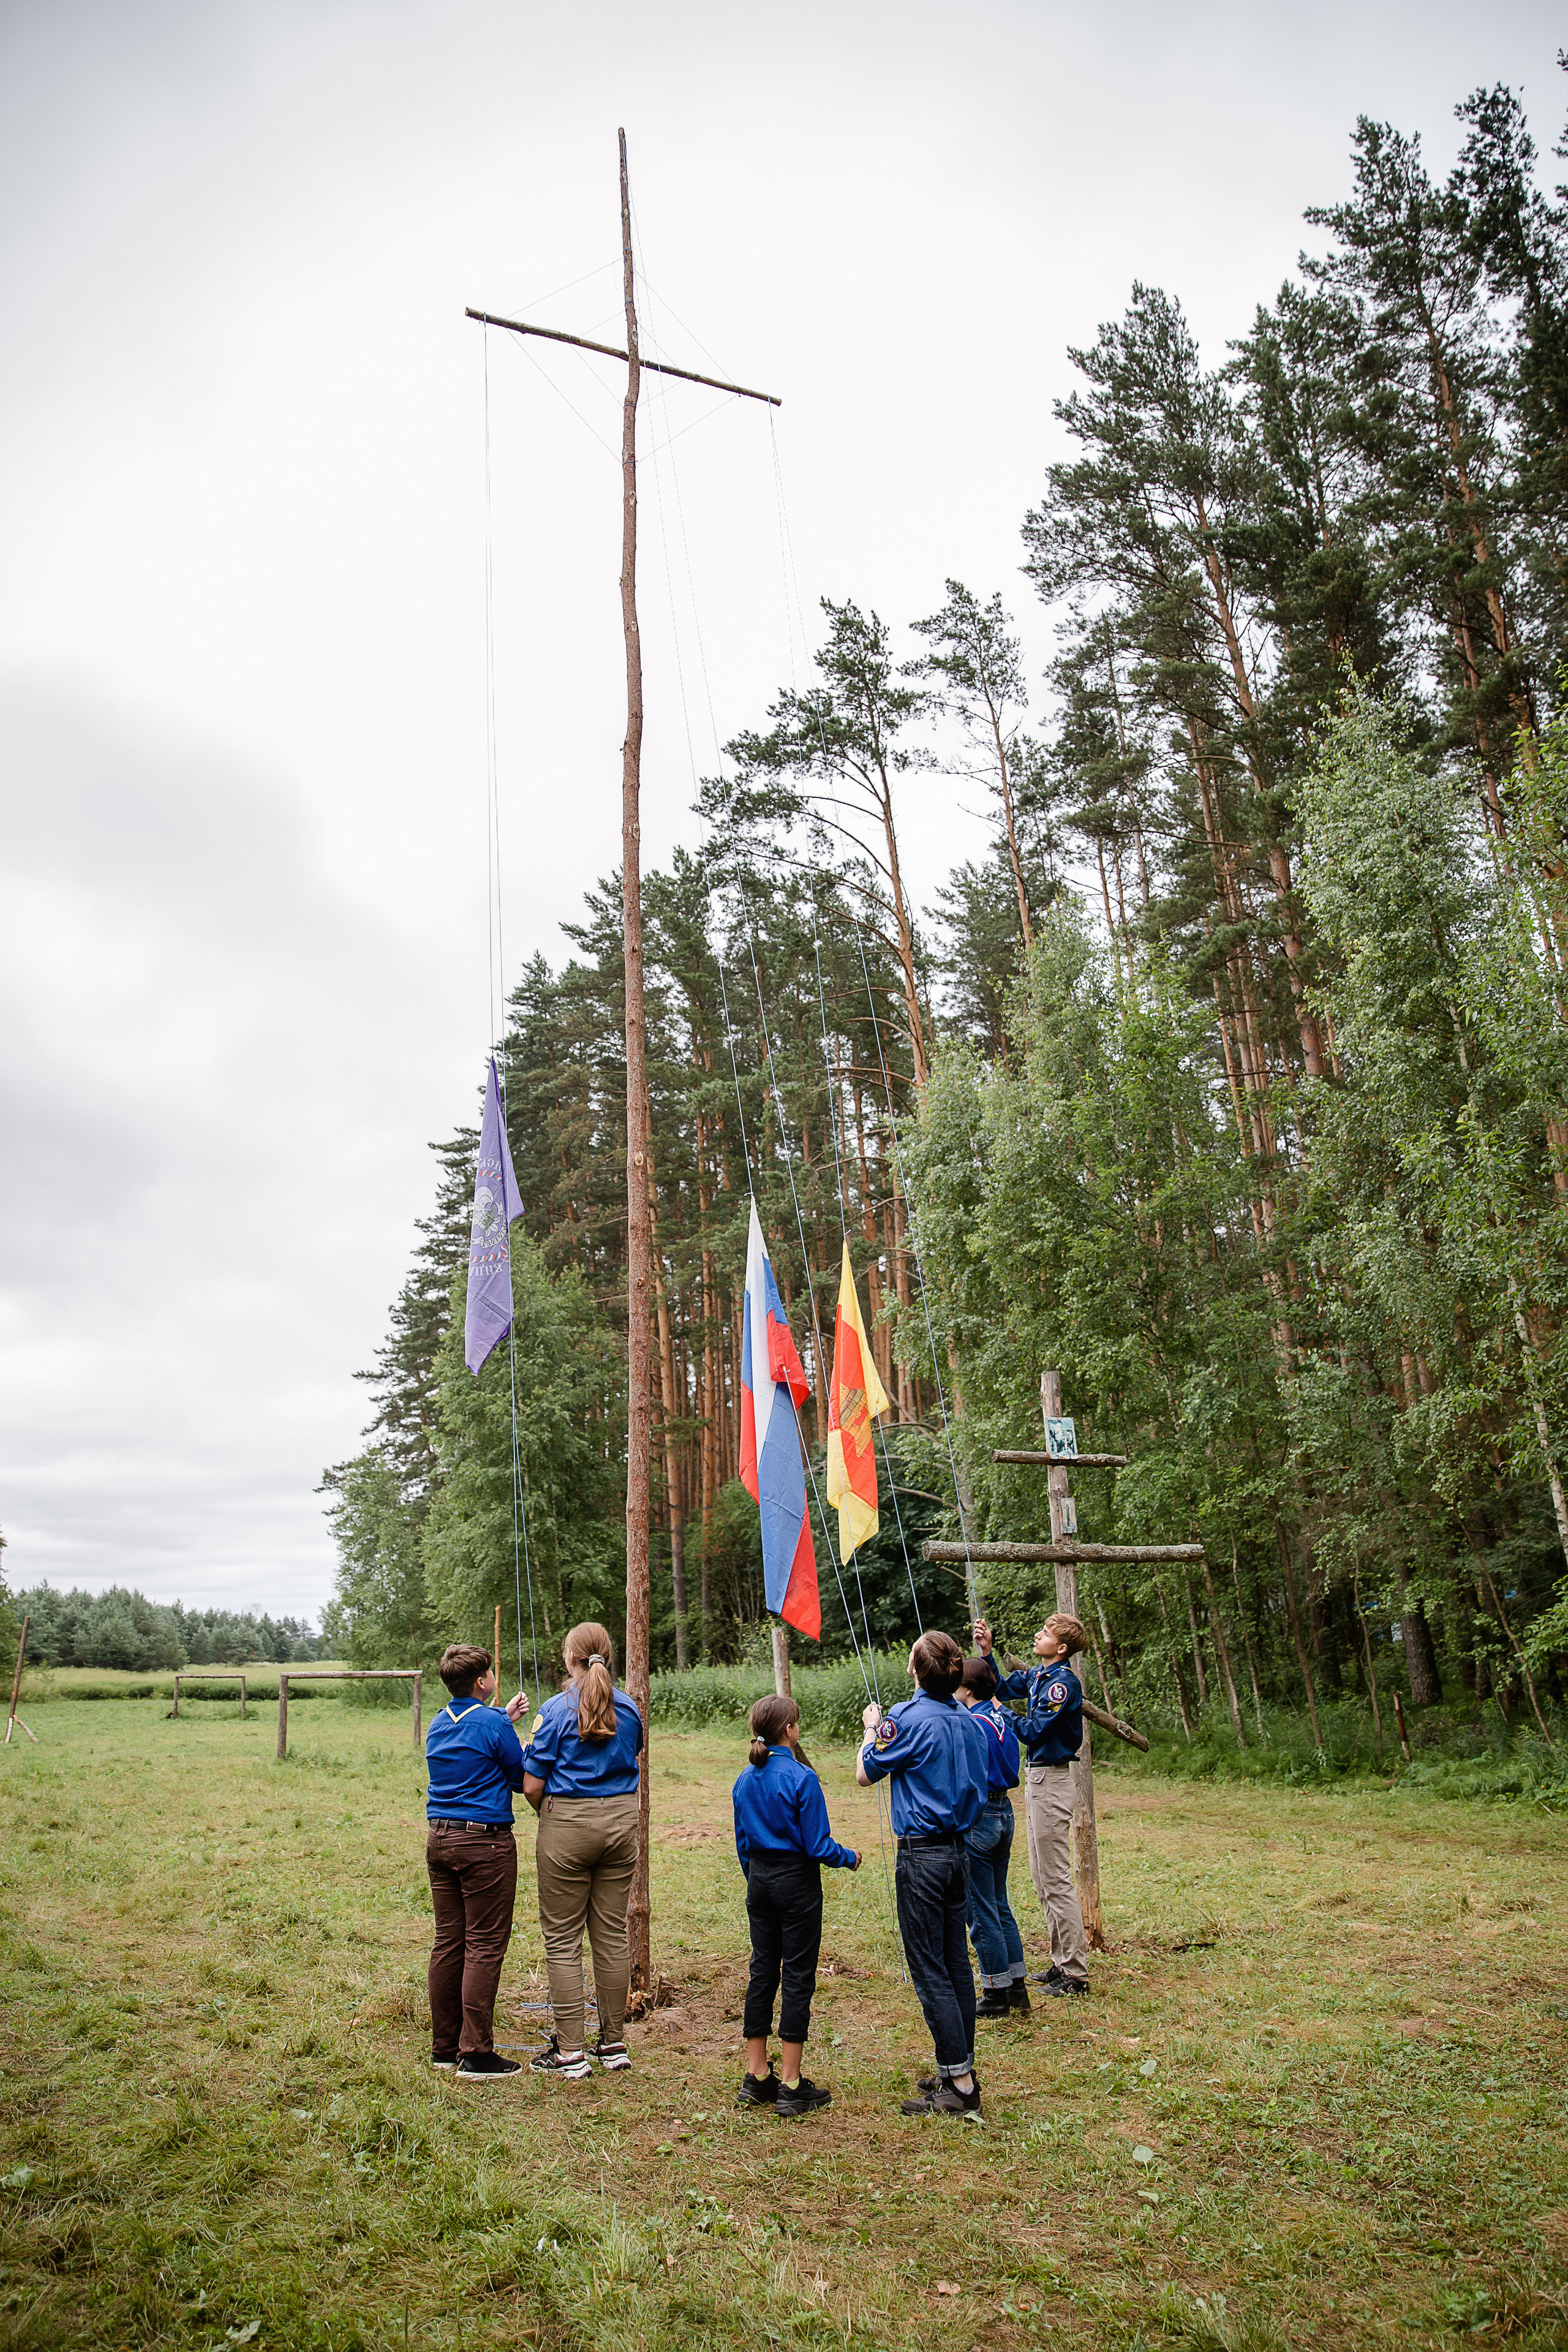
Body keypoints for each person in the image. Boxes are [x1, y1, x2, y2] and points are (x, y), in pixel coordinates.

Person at [856, 1629, 992, 2116]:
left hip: (923, 1857)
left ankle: (959, 2084)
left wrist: (873, 1726)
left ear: (915, 1670)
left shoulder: (905, 1719)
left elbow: (865, 1772)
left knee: (931, 1967)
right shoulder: (967, 1719)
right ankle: (959, 2067)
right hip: (960, 1852)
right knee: (956, 1960)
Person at [522, 1621, 644, 2079]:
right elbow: (634, 1756)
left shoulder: (554, 1710)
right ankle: (613, 2046)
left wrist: (552, 1816)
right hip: (621, 1823)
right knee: (611, 1936)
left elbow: (532, 1784)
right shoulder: (631, 1708)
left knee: (562, 1939)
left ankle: (570, 2052)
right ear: (606, 1656)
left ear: (568, 1657)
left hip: (567, 1823)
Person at [733, 1693, 861, 2119]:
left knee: (762, 1970)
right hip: (796, 1883)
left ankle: (756, 2076)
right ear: (789, 1730)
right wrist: (850, 1857)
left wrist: (758, 1882)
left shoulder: (744, 1780)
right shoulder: (802, 1778)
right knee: (799, 1975)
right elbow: (818, 1845)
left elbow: (743, 1844)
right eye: (797, 1724)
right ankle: (790, 2083)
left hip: (761, 1882)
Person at [425, 1641, 532, 2081]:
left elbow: (477, 1742)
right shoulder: (491, 1722)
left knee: (449, 1942)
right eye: (490, 1674)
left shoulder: (438, 1722)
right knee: (485, 1944)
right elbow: (518, 1778)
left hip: (439, 1839)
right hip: (483, 1844)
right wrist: (520, 1739)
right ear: (483, 1681)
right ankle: (477, 2053)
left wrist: (503, 1720)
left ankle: (445, 2049)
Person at [974, 1611, 1091, 1997]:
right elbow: (1004, 1686)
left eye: (1044, 1633)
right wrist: (987, 1654)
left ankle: (1075, 1974)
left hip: (1053, 1779)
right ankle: (1060, 1962)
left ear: (1061, 1648)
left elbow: (1035, 1731)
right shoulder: (1040, 1675)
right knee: (1042, 1878)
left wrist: (998, 1710)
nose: (1037, 1636)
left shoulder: (1063, 1685)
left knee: (1056, 1879)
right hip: (1038, 1780)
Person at [955, 1656, 1029, 2019]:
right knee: (1000, 1902)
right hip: (1006, 1812)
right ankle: (1018, 1986)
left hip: (982, 1815)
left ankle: (995, 1991)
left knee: (981, 1909)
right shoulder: (1001, 1717)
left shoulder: (971, 1724)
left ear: (966, 1690)